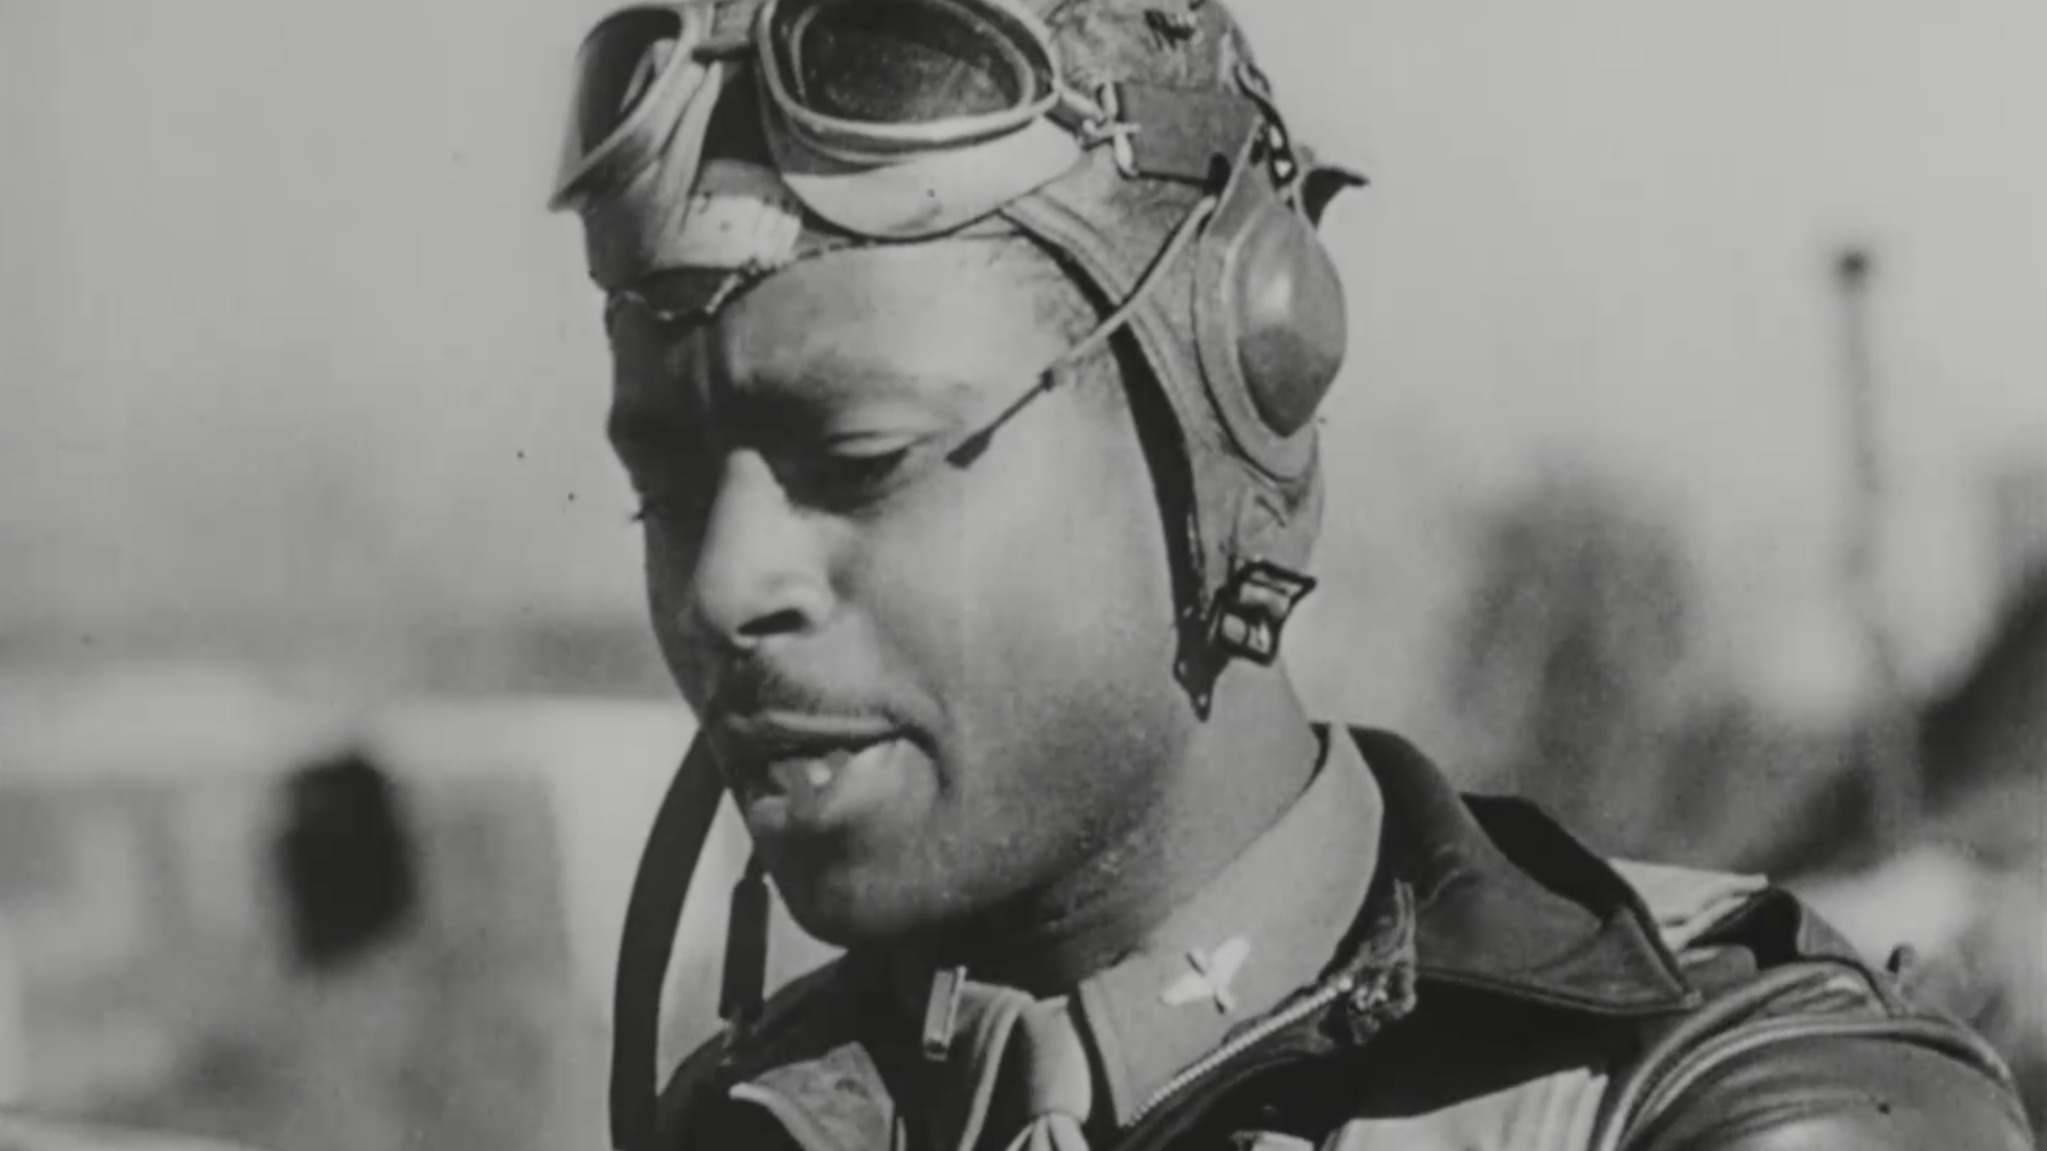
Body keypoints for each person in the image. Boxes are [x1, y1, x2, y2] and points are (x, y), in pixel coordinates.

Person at [547, 0, 2037, 1147]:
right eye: (663, 494)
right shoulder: (752, 1120)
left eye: (859, 458)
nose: (723, 587)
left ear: (1230, 406)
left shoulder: (1696, 1100)